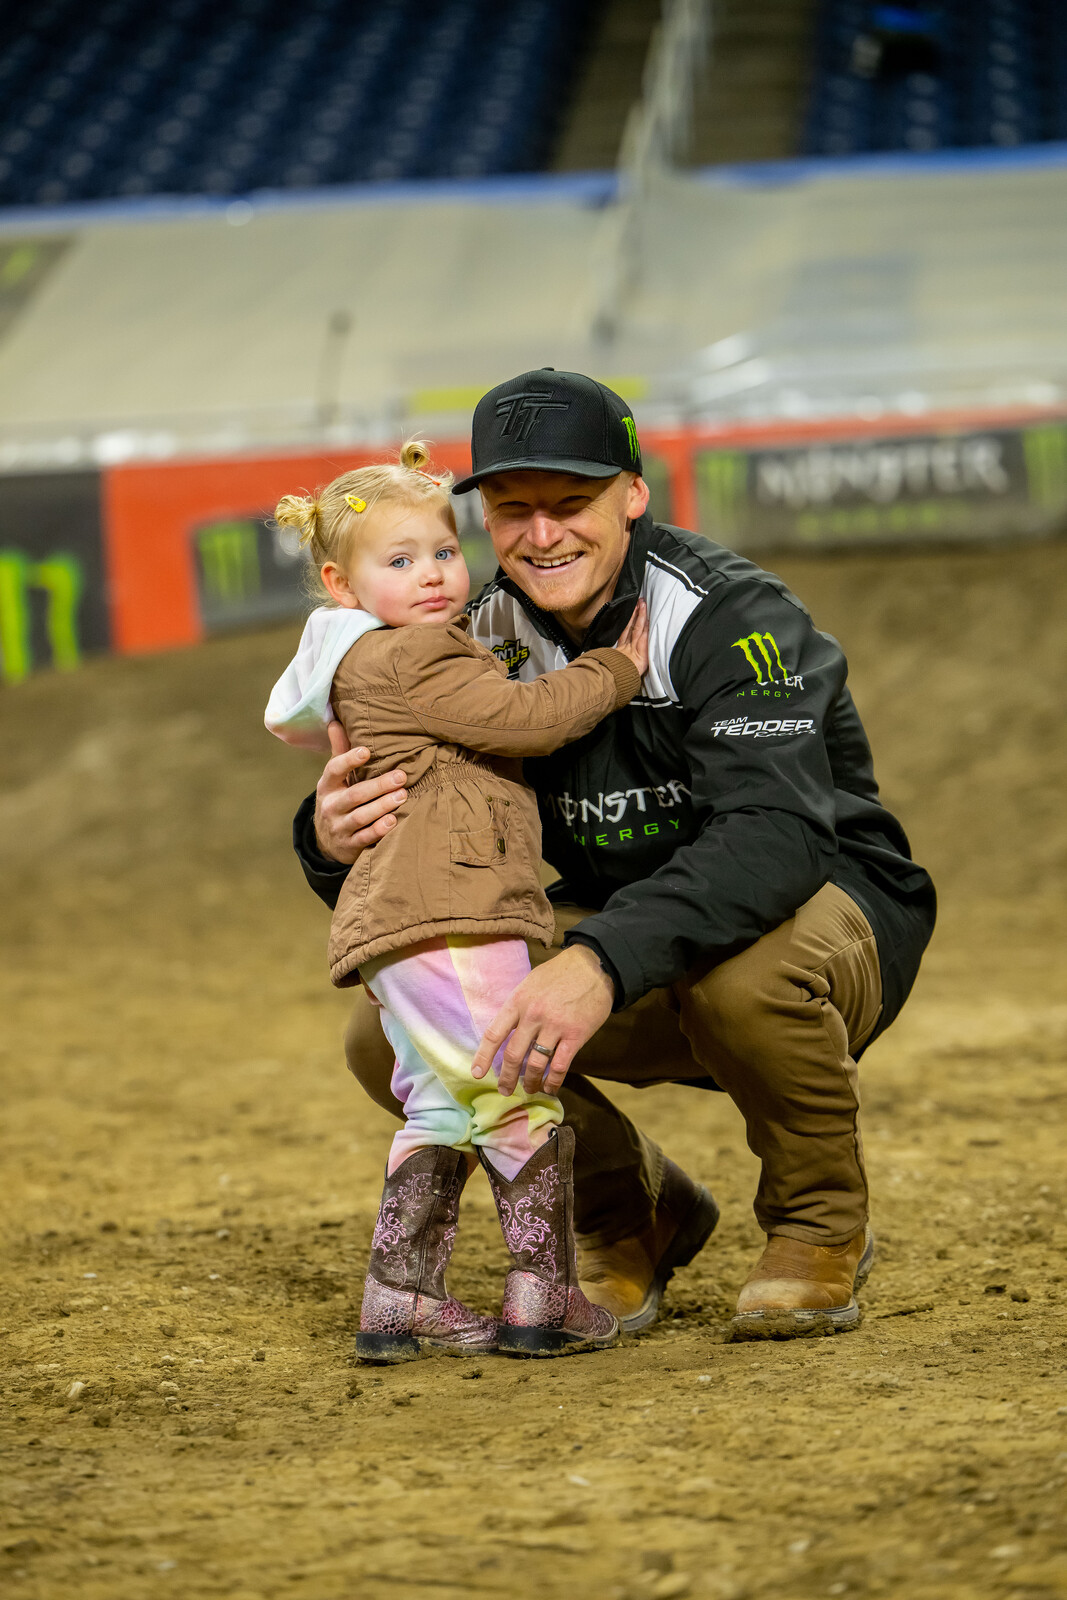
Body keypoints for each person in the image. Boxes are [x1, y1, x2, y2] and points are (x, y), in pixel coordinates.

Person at [295, 371, 937, 1342]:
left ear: (631, 494)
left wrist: (600, 960)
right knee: (393, 1027)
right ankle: (626, 1214)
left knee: (741, 978)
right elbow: (430, 845)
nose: (541, 535)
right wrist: (326, 838)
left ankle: (815, 1225)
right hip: (620, 922)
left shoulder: (728, 616)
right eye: (514, 510)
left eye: (571, 504)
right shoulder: (473, 637)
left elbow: (776, 836)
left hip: (817, 910)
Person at [265, 441, 651, 1362]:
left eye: (442, 552)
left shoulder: (356, 657)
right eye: (398, 562)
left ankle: (402, 1301)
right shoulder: (417, 654)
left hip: (403, 922)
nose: (434, 576)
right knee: (516, 1095)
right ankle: (543, 1297)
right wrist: (612, 671)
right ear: (341, 582)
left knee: (439, 1106)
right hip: (456, 911)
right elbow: (525, 717)